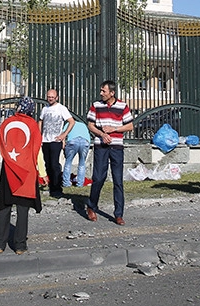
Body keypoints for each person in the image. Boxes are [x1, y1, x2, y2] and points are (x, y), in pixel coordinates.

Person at [0, 96, 42, 254]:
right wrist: (42, 173)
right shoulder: (33, 125)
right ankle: (20, 245)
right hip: (26, 171)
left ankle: (0, 244)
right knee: (23, 210)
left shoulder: (6, 123)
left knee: (4, 207)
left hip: (8, 169)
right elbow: (37, 150)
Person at [85, 80, 133, 225]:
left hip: (117, 147)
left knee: (118, 180)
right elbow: (90, 125)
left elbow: (130, 126)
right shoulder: (96, 105)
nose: (101, 93)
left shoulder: (122, 106)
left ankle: (118, 214)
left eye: (104, 91)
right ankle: (91, 206)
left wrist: (114, 130)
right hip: (101, 146)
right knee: (99, 178)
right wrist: (101, 134)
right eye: (101, 90)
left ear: (112, 93)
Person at [39, 88, 74, 197]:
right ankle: (51, 185)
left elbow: (71, 122)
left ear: (57, 98)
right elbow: (40, 121)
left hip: (56, 140)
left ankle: (57, 187)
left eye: (52, 97)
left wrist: (64, 134)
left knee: (54, 164)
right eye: (49, 97)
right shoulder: (45, 109)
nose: (50, 99)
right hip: (45, 140)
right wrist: (40, 136)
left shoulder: (61, 108)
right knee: (47, 164)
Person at [62, 115, 91, 190]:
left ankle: (66, 183)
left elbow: (63, 135)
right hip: (85, 142)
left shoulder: (68, 124)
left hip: (73, 141)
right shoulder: (83, 124)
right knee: (82, 163)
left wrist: (64, 144)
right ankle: (80, 183)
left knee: (68, 162)